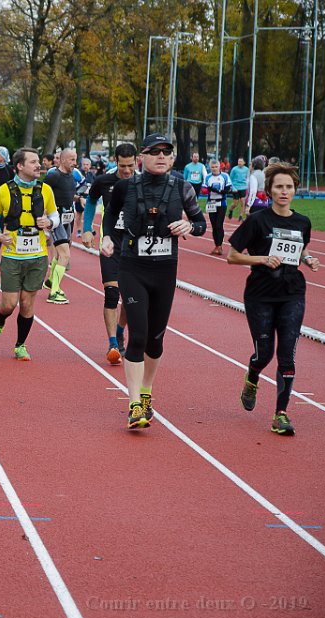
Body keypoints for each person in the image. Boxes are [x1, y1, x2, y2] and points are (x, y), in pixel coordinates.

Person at [100, 134, 206, 429]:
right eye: (155, 151)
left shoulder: (183, 188)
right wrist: (107, 236)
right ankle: (134, 404)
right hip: (132, 267)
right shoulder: (126, 186)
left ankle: (146, 392)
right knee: (138, 335)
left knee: (155, 340)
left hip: (165, 270)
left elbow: (200, 223)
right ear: (141, 158)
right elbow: (110, 214)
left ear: (172, 158)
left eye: (166, 152)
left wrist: (189, 226)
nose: (161, 156)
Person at [227, 163, 319, 436]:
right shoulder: (257, 221)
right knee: (264, 354)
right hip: (260, 294)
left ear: (295, 190)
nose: (284, 191)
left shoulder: (302, 222)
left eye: (289, 187)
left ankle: (281, 414)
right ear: (269, 190)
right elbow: (233, 256)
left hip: (292, 293)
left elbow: (300, 248)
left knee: (287, 354)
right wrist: (262, 259)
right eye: (279, 186)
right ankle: (252, 375)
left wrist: (307, 258)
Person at [0, 148, 60, 360]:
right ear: (20, 166)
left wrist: (49, 222)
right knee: (9, 304)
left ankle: (20, 345)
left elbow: (55, 216)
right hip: (12, 256)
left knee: (27, 303)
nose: (38, 165)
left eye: (38, 161)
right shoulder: (4, 191)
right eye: (33, 162)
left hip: (37, 256)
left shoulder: (45, 190)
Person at [81, 142, 138, 365]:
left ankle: (121, 330)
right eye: (123, 166)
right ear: (115, 161)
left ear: (137, 162)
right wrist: (87, 228)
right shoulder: (104, 181)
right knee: (112, 294)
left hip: (135, 247)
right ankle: (113, 343)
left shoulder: (143, 182)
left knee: (131, 299)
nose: (127, 170)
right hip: (110, 245)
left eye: (131, 165)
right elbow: (90, 201)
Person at [42, 148, 82, 304]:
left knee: (61, 254)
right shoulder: (53, 176)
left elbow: (67, 194)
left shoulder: (71, 176)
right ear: (63, 160)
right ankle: (54, 292)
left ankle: (51, 281)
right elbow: (42, 195)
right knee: (65, 255)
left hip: (68, 217)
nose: (75, 163)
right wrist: (44, 215)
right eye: (72, 159)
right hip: (56, 217)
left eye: (75, 159)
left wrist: (78, 198)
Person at [204, 159, 233, 255]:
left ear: (219, 167)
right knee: (213, 225)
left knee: (219, 225)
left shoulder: (225, 176)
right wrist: (208, 190)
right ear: (210, 168)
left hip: (221, 203)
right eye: (212, 167)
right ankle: (216, 245)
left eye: (216, 167)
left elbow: (228, 189)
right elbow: (203, 190)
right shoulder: (208, 177)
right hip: (211, 203)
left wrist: (216, 190)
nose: (214, 169)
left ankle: (220, 246)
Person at [229, 157, 250, 221]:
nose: (239, 163)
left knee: (243, 203)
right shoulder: (234, 169)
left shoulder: (247, 169)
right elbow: (230, 179)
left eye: (241, 161)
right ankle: (230, 210)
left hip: (243, 187)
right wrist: (233, 188)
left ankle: (240, 216)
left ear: (244, 162)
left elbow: (248, 178)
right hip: (236, 188)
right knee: (235, 204)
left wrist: (247, 187)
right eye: (238, 161)